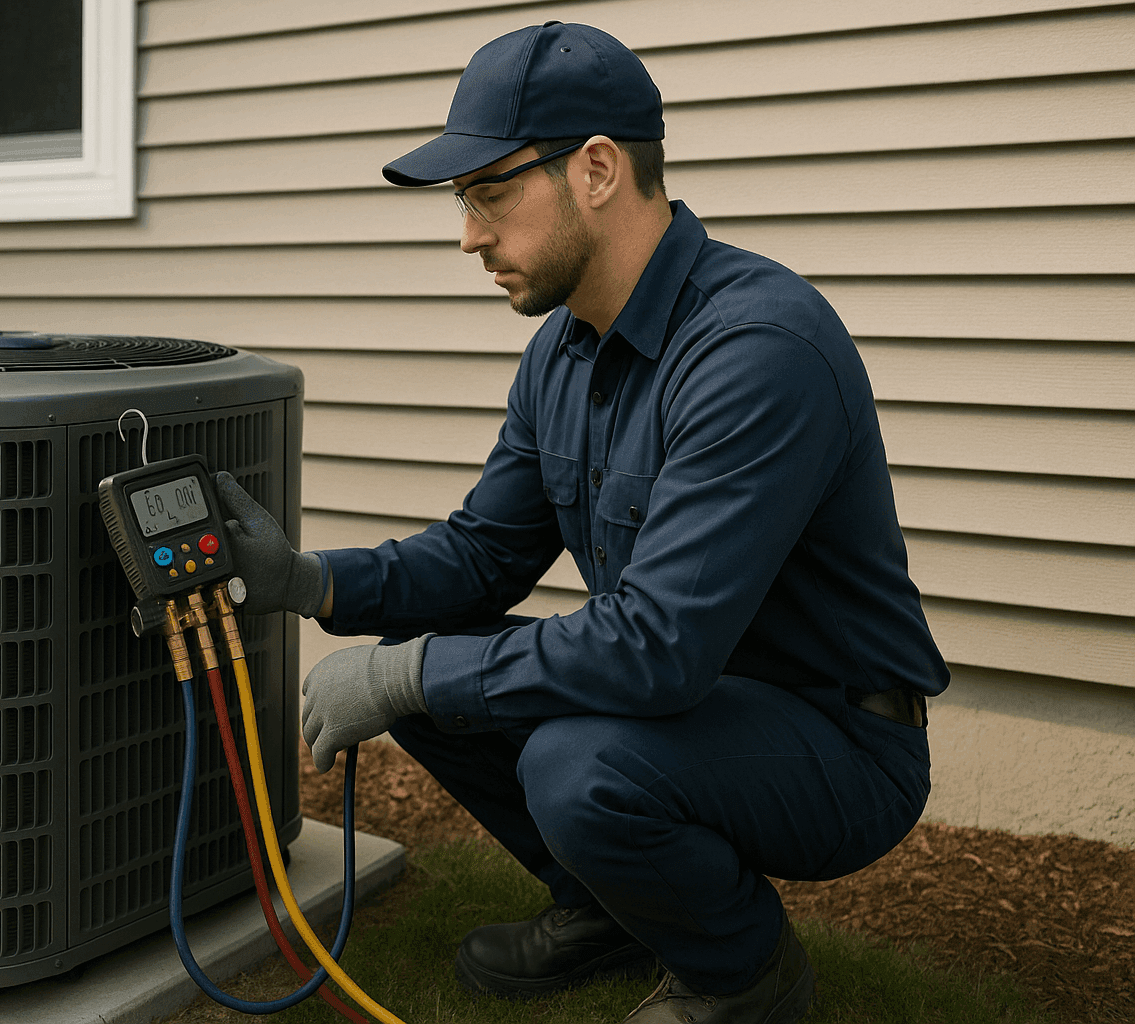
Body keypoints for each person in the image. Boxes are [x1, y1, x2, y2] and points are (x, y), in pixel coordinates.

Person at [213, 20, 948, 1024]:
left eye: (489, 195)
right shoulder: (564, 350)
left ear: (596, 169)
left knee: (573, 761)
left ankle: (742, 979)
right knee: (440, 666)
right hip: (692, 705)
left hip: (836, 740)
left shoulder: (757, 349)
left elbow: (657, 649)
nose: (468, 235)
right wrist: (311, 583)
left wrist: (401, 673)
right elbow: (483, 555)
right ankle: (609, 908)